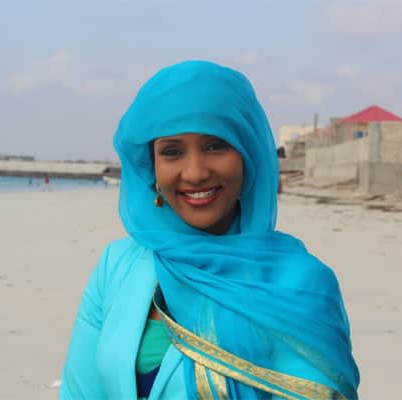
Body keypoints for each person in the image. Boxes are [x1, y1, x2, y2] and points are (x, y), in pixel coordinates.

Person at [59, 61, 359, 399]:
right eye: (172, 152)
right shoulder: (117, 265)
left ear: (249, 154)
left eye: (215, 145)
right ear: (151, 166)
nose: (195, 173)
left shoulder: (300, 284)